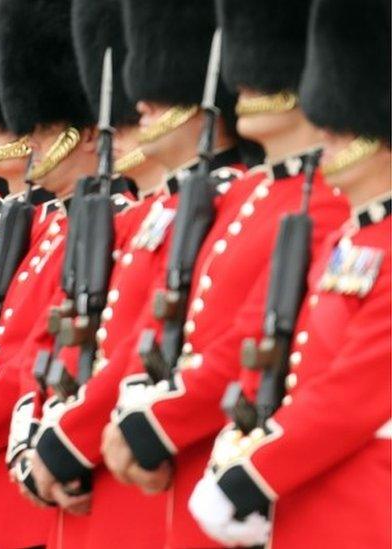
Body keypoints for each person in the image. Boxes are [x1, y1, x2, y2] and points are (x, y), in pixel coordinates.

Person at [98, 0, 348, 547]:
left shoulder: (325, 200)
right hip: (182, 469)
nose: (247, 80)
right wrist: (138, 401)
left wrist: (153, 423)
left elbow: (249, 340)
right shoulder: (241, 195)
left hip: (237, 469)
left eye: (266, 68)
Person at [189, 0, 390, 546]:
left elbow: (352, 396)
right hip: (310, 511)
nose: (326, 131)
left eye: (344, 125)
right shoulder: (347, 239)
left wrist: (252, 476)